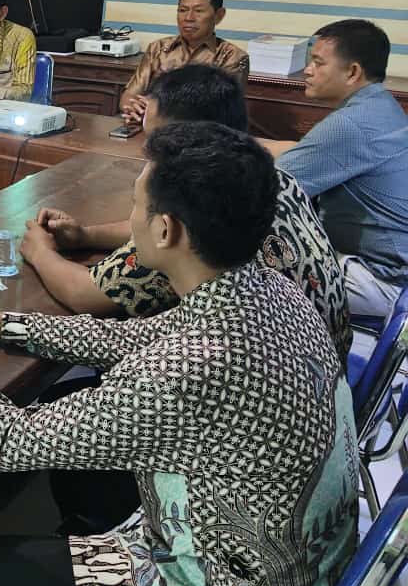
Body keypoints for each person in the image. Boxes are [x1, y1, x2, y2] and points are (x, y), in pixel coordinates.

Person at [0, 122, 357, 586]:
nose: (131, 218)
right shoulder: (267, 288)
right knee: (72, 418)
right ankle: (82, 531)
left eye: (136, 204)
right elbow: (124, 338)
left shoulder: (187, 371)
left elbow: (6, 441)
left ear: (164, 229)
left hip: (226, 580)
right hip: (305, 556)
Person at [20, 63, 351, 366]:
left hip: (263, 370)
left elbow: (84, 294)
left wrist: (39, 251)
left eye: (157, 142)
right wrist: (87, 235)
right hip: (322, 363)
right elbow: (157, 229)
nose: (149, 154)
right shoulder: (269, 176)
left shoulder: (201, 215)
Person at [276, 19, 408, 319]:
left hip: (381, 280)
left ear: (352, 72)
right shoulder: (379, 105)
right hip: (393, 270)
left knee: (248, 272)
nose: (307, 70)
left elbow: (269, 184)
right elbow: (300, 153)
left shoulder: (350, 125)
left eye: (318, 62)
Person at [119, 0, 249, 125]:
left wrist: (157, 108)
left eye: (198, 11)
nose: (188, 18)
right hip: (150, 128)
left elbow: (219, 111)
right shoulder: (158, 49)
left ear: (219, 15)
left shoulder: (232, 57)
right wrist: (133, 107)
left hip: (202, 133)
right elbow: (129, 95)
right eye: (182, 10)